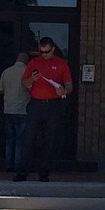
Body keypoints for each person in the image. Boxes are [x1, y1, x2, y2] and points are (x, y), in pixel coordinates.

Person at [22, 35, 73, 182]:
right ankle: (23, 171)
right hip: (36, 104)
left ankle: (44, 173)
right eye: (41, 52)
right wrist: (32, 79)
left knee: (50, 140)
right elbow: (24, 83)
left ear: (53, 49)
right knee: (29, 138)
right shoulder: (33, 63)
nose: (44, 55)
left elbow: (69, 86)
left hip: (53, 105)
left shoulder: (61, 64)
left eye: (47, 51)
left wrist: (63, 91)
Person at [0, 49, 31, 180]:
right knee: (20, 140)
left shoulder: (6, 72)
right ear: (26, 61)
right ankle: (18, 165)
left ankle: (8, 164)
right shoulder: (27, 72)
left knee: (10, 139)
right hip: (23, 109)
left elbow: (0, 90)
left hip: (8, 109)